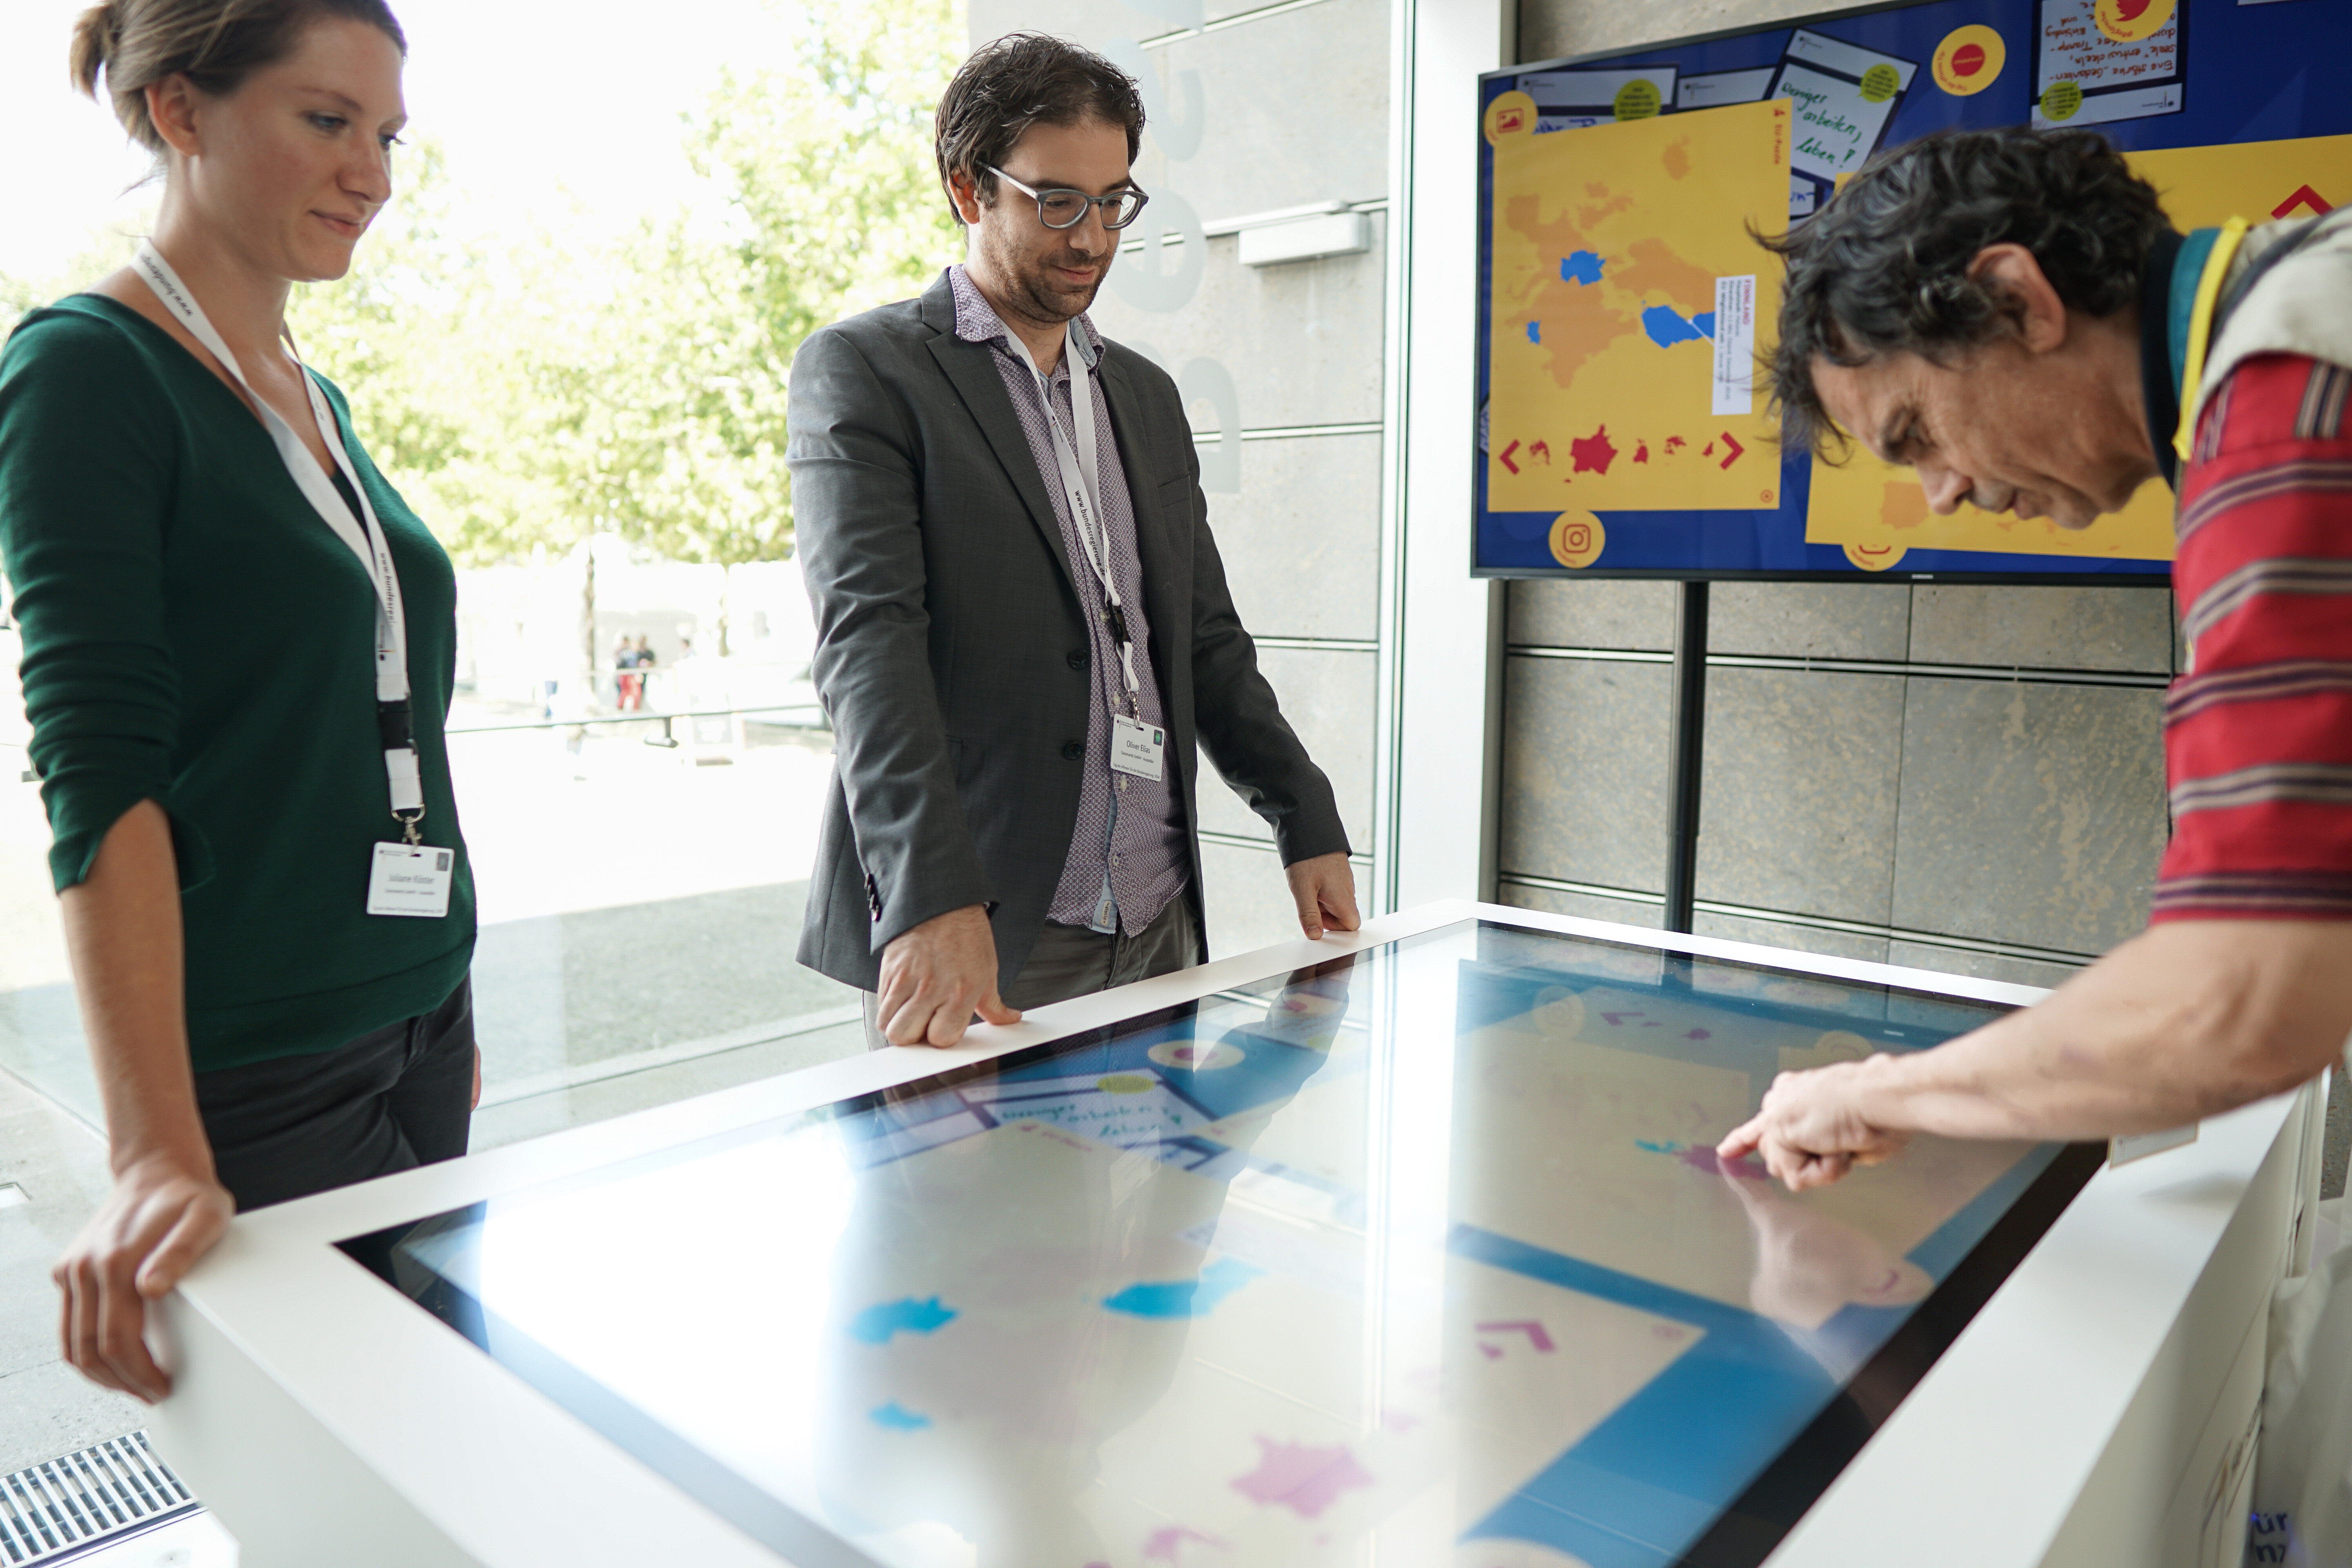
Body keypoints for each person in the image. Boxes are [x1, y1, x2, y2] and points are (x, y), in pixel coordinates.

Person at [1717, 128, 2352, 1189]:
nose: (1942, 492)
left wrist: (1876, 1094)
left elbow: (2244, 1000)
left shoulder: (2290, 408)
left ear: (2018, 298)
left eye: (1915, 429)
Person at [0, 0, 475, 1401]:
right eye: (327, 122)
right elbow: (99, 772)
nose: (374, 174)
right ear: (180, 112)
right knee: (372, 1464)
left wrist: (433, 981)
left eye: (387, 135)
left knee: (446, 1422)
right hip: (267, 1058)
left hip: (422, 1008)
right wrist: (150, 1144)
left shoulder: (313, 392)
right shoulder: (88, 369)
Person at [787, 34, 1359, 1050]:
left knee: (1164, 1214)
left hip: (1155, 919)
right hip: (982, 927)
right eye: (1056, 201)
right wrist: (926, 896)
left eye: (1113, 201)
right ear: (970, 190)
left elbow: (1204, 637)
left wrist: (1302, 812)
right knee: (968, 1216)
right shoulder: (867, 375)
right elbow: (868, 649)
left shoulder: (1144, 395)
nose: (1090, 237)